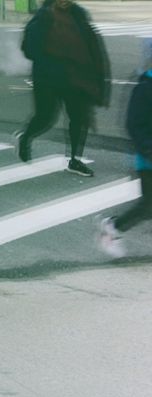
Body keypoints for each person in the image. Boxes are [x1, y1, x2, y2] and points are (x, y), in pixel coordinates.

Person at [16, 0, 110, 177]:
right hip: (48, 78)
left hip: (75, 78)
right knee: (45, 117)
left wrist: (98, 80)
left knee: (79, 118)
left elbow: (93, 47)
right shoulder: (42, 17)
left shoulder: (78, 15)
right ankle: (26, 137)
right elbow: (28, 50)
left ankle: (74, 160)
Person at [98, 39, 152, 258]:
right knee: (148, 206)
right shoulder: (145, 88)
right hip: (148, 160)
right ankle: (112, 227)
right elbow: (134, 125)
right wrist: (149, 150)